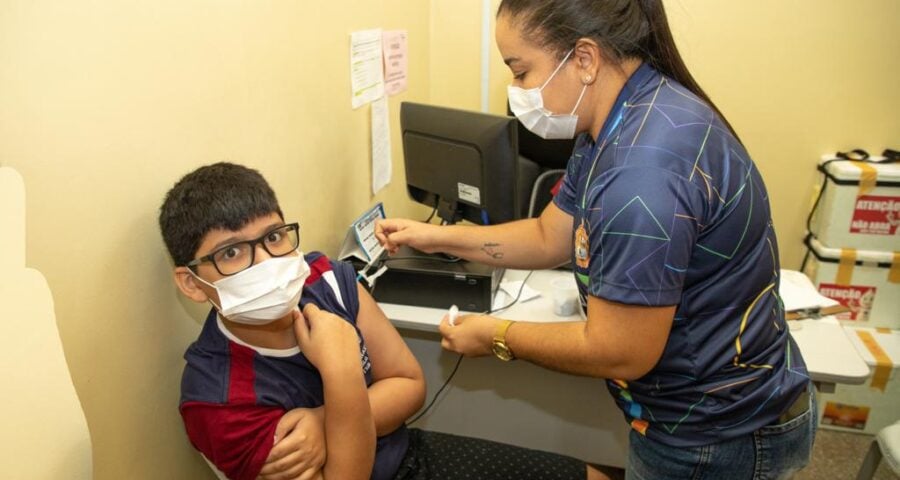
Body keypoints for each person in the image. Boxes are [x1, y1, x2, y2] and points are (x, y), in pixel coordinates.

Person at [375, 1, 816, 479]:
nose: (517, 91)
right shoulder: (618, 118)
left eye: (521, 72)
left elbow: (620, 350)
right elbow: (550, 235)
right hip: (703, 412)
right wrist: (439, 238)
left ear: (583, 59)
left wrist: (497, 336)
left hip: (714, 435)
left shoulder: (642, 173)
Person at [158, 162, 606, 480]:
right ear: (193, 283)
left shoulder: (325, 279)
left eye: (274, 237)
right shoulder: (217, 400)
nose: (267, 262)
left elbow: (410, 384)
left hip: (405, 457)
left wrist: (322, 421)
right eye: (232, 253)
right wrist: (341, 371)